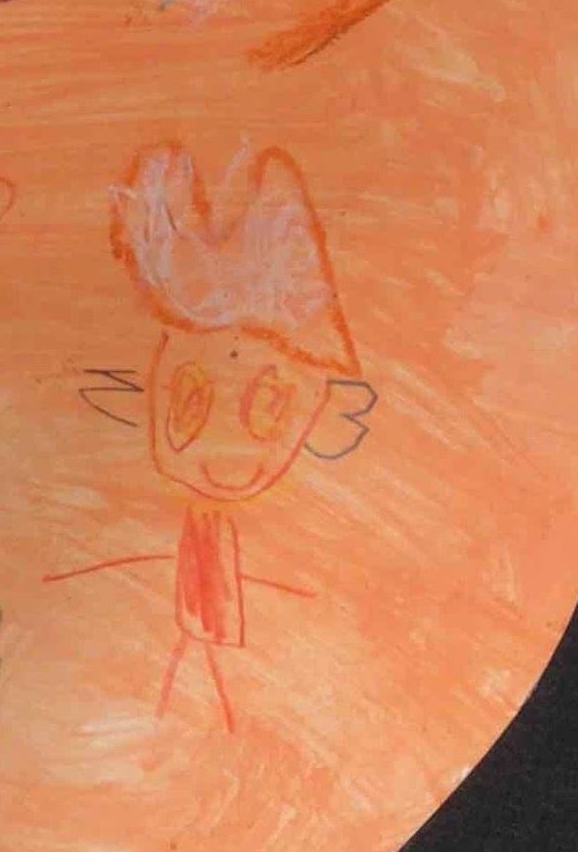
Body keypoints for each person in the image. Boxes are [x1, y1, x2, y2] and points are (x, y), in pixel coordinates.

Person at [47, 142, 376, 729]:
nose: (226, 451)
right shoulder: (101, 578)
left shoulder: (326, 592)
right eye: (190, 399)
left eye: (269, 406)